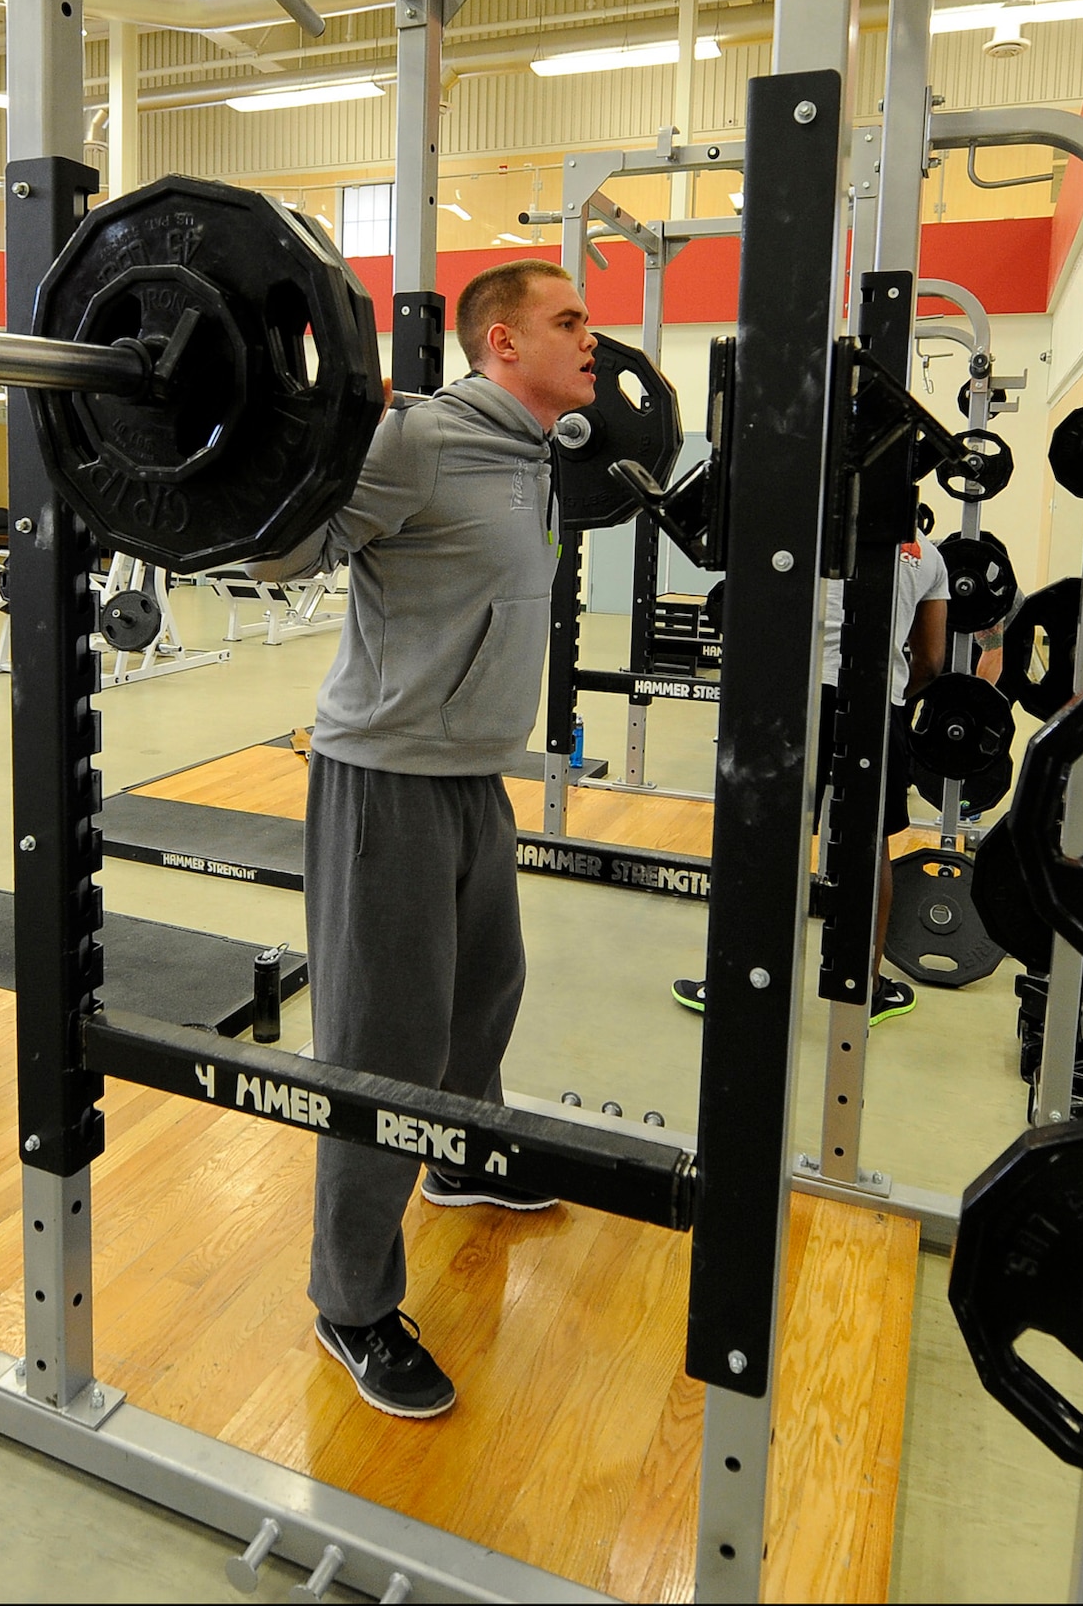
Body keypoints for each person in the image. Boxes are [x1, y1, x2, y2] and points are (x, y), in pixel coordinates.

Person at [249, 259, 597, 1419]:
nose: (591, 338)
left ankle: (458, 1156)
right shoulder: (422, 439)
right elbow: (283, 553)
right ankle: (350, 1301)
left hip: (468, 780)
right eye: (568, 319)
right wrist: (270, 457)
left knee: (482, 993)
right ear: (500, 342)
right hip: (384, 780)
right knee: (379, 1044)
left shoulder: (534, 452)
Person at [673, 531, 949, 1024]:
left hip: (796, 700)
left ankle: (737, 981)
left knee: (771, 837)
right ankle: (864, 988)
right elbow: (930, 660)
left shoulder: (814, 526)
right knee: (869, 846)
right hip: (876, 703)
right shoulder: (929, 557)